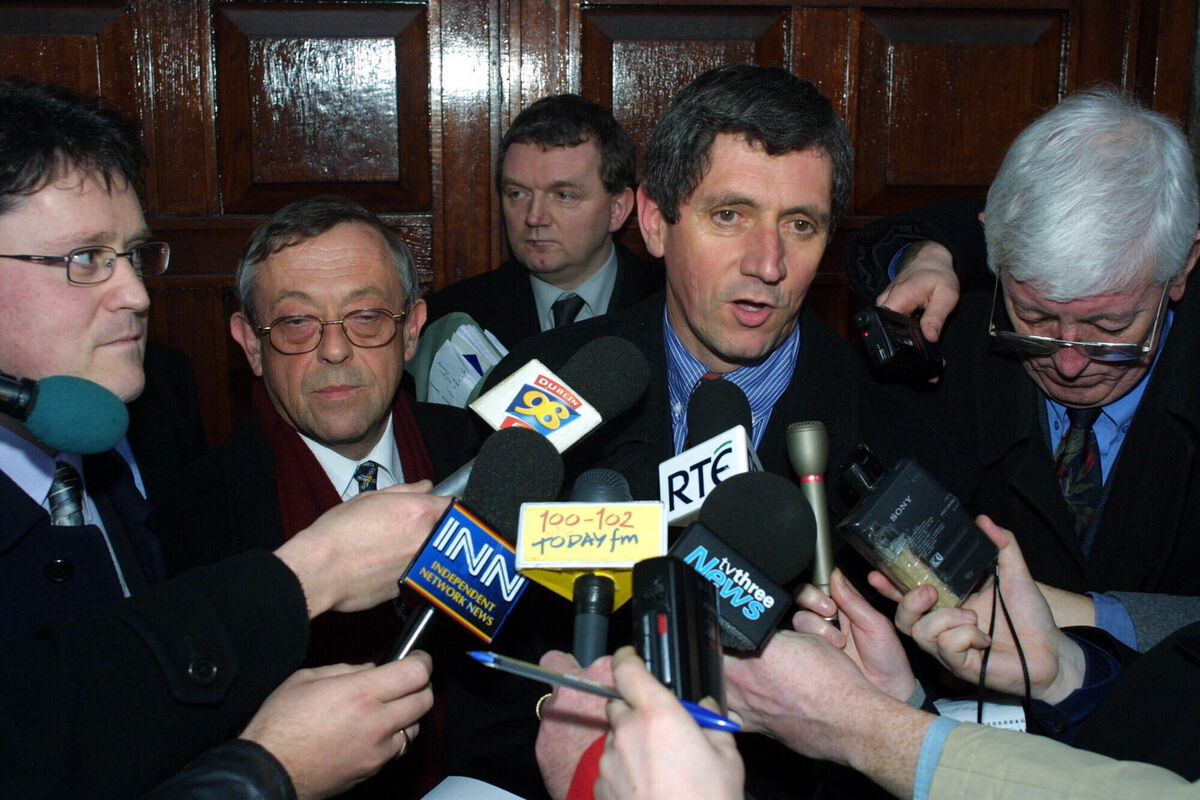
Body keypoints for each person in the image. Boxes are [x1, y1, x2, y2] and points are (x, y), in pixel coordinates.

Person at [478, 63, 961, 800]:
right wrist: (565, 723)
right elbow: (473, 672)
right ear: (653, 220)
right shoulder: (547, 386)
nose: (768, 265)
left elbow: (920, 714)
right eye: (729, 215)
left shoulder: (902, 432)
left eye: (800, 225)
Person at [0, 77, 448, 799]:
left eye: (134, 255)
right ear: (251, 343)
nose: (139, 296)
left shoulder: (116, 444)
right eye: (85, 258)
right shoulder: (194, 497)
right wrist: (265, 769)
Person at [845, 88, 1200, 652]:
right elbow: (878, 247)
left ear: (1181, 271)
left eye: (1109, 329)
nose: (1067, 361)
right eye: (1033, 317)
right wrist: (937, 248)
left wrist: (1081, 617)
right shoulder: (955, 350)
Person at [155, 195, 479, 666]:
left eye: (365, 317)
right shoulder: (190, 520)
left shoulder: (483, 459)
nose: (334, 350)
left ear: (411, 330)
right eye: (296, 322)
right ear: (251, 345)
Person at [422, 93, 662, 347]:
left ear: (617, 209)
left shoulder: (672, 306)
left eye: (564, 195)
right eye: (518, 193)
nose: (534, 217)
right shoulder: (448, 321)